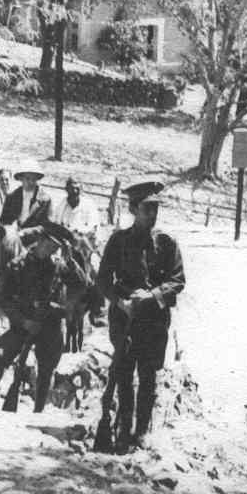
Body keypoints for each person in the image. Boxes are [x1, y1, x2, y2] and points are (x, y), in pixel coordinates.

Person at [96, 179, 185, 452]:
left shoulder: (167, 243)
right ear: (133, 209)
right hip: (124, 320)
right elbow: (102, 280)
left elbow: (178, 280)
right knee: (123, 375)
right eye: (147, 208)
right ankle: (123, 430)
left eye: (155, 208)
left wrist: (152, 295)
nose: (152, 214)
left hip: (154, 322)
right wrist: (120, 303)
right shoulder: (119, 240)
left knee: (148, 376)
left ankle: (142, 431)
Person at [0, 223, 73, 414]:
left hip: (49, 327)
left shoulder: (60, 268)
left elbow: (83, 286)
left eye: (56, 248)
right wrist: (23, 322)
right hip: (22, 326)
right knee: (0, 356)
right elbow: (5, 301)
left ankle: (37, 412)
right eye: (49, 245)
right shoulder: (17, 265)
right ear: (40, 240)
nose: (52, 251)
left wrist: (70, 262)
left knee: (46, 367)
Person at [53, 177, 105, 326]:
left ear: (80, 189)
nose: (74, 191)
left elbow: (93, 227)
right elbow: (56, 225)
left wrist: (78, 233)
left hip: (85, 246)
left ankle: (98, 310)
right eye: (71, 188)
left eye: (76, 188)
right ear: (66, 189)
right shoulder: (61, 206)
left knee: (96, 269)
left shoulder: (89, 205)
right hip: (65, 246)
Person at [0, 159, 51, 229]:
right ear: (21, 178)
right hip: (13, 235)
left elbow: (46, 225)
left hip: (35, 237)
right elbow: (3, 221)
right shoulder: (12, 197)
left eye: (34, 179)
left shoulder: (44, 199)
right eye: (28, 179)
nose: (31, 182)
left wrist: (26, 232)